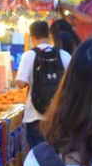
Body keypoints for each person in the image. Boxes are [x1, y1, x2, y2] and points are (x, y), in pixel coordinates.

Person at [16, 20, 72, 152]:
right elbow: (73, 84)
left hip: (35, 115)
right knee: (58, 152)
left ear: (32, 38)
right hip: (59, 114)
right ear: (49, 35)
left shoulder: (28, 55)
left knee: (39, 154)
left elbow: (20, 83)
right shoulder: (64, 55)